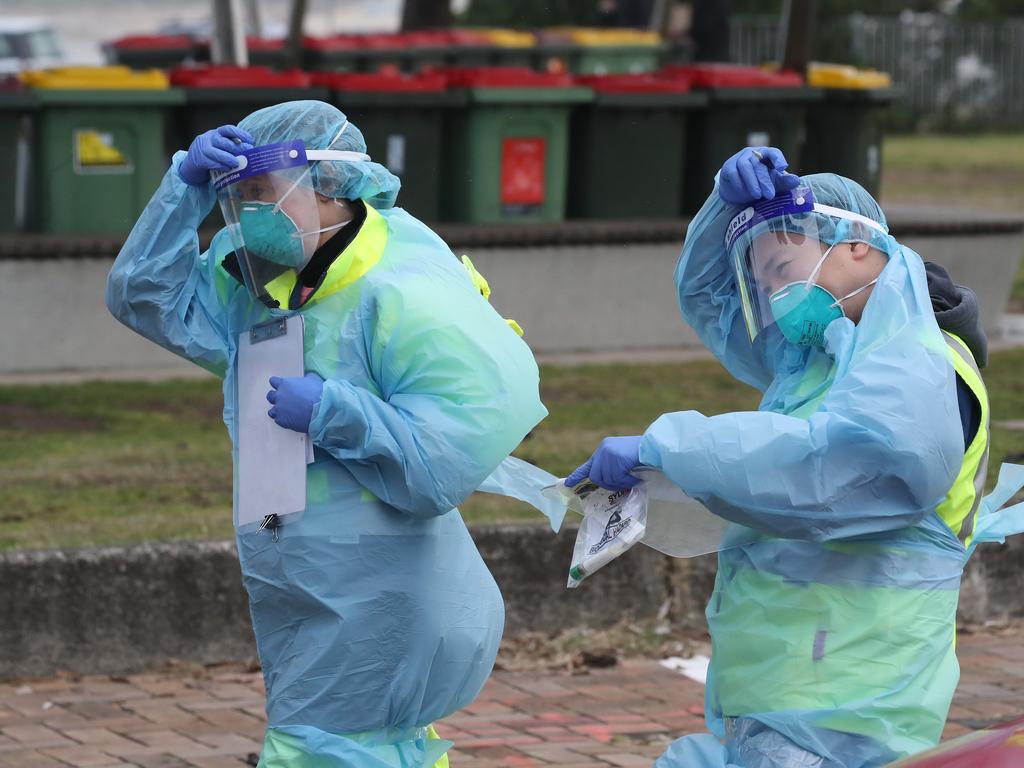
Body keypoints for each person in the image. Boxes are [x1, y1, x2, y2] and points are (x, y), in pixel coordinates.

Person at [106, 101, 548, 766]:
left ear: (326, 184)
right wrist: (184, 188)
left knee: (319, 748)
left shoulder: (404, 287)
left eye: (260, 193)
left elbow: (449, 457)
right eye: (237, 198)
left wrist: (338, 414)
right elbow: (144, 297)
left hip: (385, 593)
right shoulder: (256, 279)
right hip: (295, 573)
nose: (248, 214)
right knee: (362, 748)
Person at [566, 146, 1022, 767]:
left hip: (846, 700)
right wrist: (722, 212)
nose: (775, 294)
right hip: (789, 690)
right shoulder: (818, 358)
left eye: (782, 268)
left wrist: (665, 448)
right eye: (764, 282)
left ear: (856, 245)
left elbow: (835, 466)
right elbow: (709, 298)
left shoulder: (921, 362)